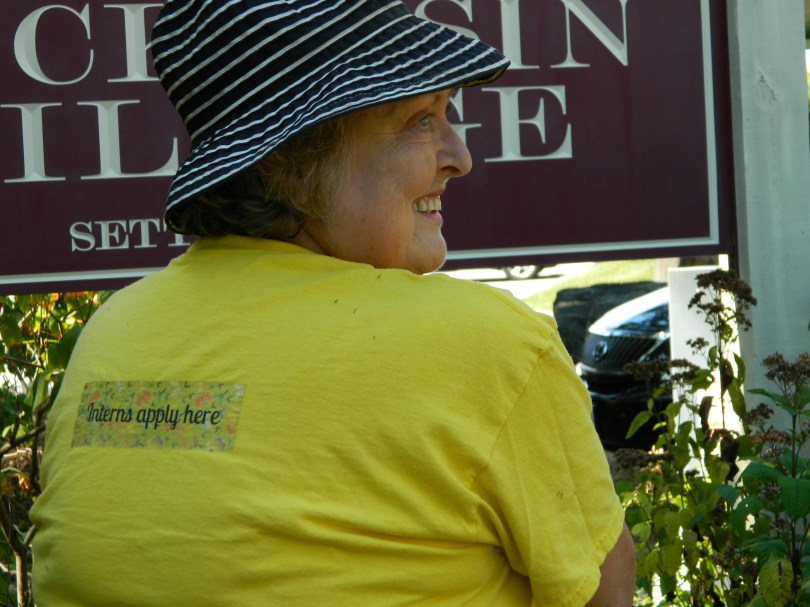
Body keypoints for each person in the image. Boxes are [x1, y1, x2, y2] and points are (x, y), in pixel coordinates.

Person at [30, 1, 635, 605]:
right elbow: (601, 595)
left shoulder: (112, 336)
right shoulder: (489, 347)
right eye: (420, 121)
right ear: (289, 166)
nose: (459, 155)